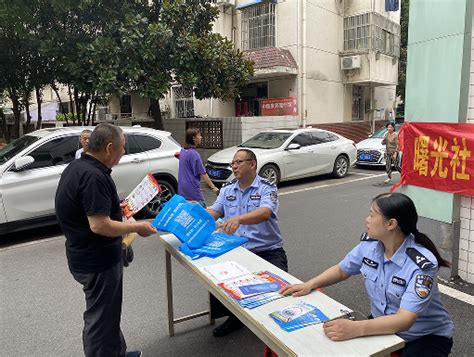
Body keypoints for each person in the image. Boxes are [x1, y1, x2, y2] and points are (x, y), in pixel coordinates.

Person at [280, 193, 454, 357]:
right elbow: (342, 270)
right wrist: (309, 284)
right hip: (381, 324)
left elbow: (404, 320)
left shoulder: (421, 263)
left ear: (391, 224)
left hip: (422, 336)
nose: (367, 220)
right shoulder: (370, 246)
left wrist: (356, 329)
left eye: (372, 215)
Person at [55, 123, 157, 357]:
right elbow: (99, 225)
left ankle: (116, 353)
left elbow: (89, 211)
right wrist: (138, 226)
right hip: (97, 261)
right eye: (123, 148)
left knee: (108, 313)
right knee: (100, 319)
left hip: (86, 254)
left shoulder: (78, 166)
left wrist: (118, 210)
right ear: (110, 147)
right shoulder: (93, 176)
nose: (124, 153)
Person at [207, 148, 288, 337]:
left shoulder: (267, 187)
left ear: (252, 164)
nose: (234, 166)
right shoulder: (227, 189)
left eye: (238, 162)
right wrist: (193, 215)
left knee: (280, 293)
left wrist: (239, 219)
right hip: (237, 250)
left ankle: (275, 328)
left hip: (268, 250)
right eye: (232, 163)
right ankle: (236, 318)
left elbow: (265, 212)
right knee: (221, 282)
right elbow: (215, 212)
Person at [178, 128, 219, 207]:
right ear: (193, 138)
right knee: (201, 211)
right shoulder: (194, 154)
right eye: (199, 135)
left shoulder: (182, 151)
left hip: (182, 188)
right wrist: (213, 187)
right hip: (192, 188)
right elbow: (203, 173)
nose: (201, 137)